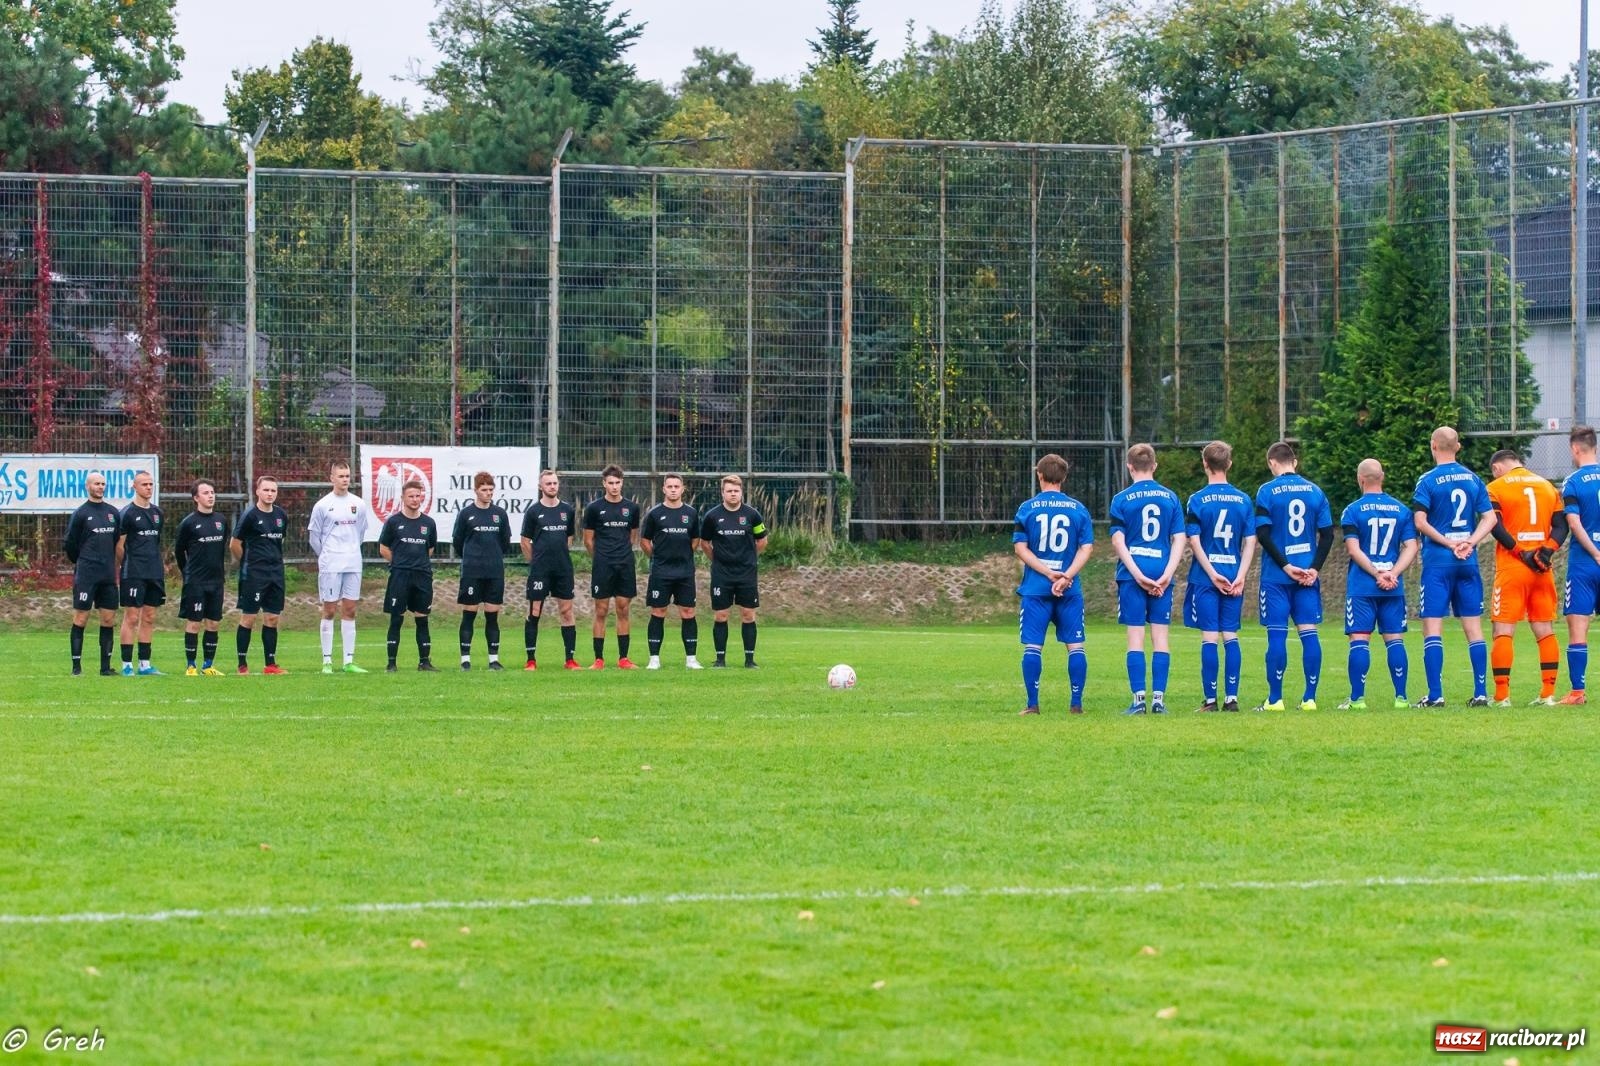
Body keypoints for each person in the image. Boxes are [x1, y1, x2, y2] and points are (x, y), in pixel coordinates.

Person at [1411, 426, 1497, 706]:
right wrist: (1470, 541)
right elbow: (1490, 518)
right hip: (1467, 561)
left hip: (1438, 563)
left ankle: (1436, 696)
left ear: (1433, 446)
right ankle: (1481, 693)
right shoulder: (1473, 479)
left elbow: (1420, 521)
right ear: (1457, 447)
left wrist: (1449, 543)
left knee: (1432, 627)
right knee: (1474, 628)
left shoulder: (1427, 480)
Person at [1252, 441, 1335, 712]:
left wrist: (1286, 566)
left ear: (1271, 463)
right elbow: (1328, 535)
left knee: (1277, 636)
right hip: (1307, 576)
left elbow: (1263, 534)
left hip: (1277, 576)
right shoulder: (1315, 491)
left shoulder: (1266, 491)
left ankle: (1275, 700)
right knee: (1309, 634)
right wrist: (1314, 568)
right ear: (1295, 462)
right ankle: (1309, 698)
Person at [1011, 454, 1093, 714]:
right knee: (1075, 646)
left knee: (1033, 646)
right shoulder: (1078, 509)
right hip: (1069, 589)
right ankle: (1076, 704)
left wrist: (1048, 573)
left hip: (1036, 588)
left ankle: (1032, 705)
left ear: (1039, 475)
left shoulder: (1027, 508)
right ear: (1064, 477)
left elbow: (1020, 548)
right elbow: (1086, 548)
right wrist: (1066, 576)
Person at [1107, 444, 1184, 715]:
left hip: (1133, 574)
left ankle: (1138, 700)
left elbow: (1118, 541)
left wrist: (1137, 574)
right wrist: (1167, 574)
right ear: (1155, 466)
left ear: (1129, 467)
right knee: (1160, 637)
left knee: (1135, 636)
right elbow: (1179, 539)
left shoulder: (1121, 499)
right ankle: (1158, 701)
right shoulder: (1170, 497)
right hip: (1162, 571)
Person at [1485, 449, 1564, 705]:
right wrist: (1546, 551)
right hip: (1542, 568)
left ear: (1497, 468)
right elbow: (1561, 526)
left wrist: (1521, 552)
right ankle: (1548, 694)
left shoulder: (1495, 488)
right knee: (1544, 630)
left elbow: (1495, 526)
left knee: (1503, 630)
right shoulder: (1547, 486)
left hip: (1513, 567)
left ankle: (1502, 696)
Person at [1339, 459, 1419, 709]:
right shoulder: (1402, 510)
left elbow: (1353, 549)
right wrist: (1392, 573)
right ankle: (1401, 698)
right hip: (1393, 587)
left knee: (1359, 639)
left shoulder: (1352, 510)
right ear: (1382, 477)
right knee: (1394, 639)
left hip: (1362, 586)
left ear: (1360, 479)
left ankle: (1357, 700)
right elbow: (1412, 546)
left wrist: (1376, 573)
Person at [1183, 441, 1257, 712]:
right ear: (1229, 464)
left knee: (1210, 636)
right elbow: (1251, 541)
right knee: (1230, 634)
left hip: (1206, 578)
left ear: (1205, 464)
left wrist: (1212, 574)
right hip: (1233, 575)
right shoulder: (1243, 500)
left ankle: (1211, 700)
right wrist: (1241, 575)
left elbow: (1194, 540)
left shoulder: (1197, 499)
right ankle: (1232, 699)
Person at [701, 474, 770, 669]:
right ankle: (720, 660)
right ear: (722, 492)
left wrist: (749, 558)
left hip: (746, 573)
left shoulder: (752, 515)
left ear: (741, 492)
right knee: (721, 615)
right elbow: (704, 543)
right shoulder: (712, 516)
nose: (733, 494)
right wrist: (718, 560)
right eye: (729, 490)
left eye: (736, 491)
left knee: (748, 614)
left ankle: (749, 660)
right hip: (721, 574)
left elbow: (762, 540)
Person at [308, 459, 369, 674]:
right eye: (341, 476)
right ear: (332, 478)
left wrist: (350, 551)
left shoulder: (358, 504)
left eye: (347, 476)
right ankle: (327, 661)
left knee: (350, 609)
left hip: (353, 562)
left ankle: (348, 661)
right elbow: (314, 537)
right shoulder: (322, 505)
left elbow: (360, 533)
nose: (345, 480)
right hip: (331, 564)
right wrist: (326, 556)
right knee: (329, 610)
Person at [583, 464, 642, 669]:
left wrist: (620, 553)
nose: (614, 486)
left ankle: (623, 658)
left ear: (622, 483)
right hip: (603, 565)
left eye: (617, 482)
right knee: (601, 610)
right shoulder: (594, 508)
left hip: (625, 564)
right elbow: (588, 540)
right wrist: (602, 557)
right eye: (611, 483)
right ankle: (598, 659)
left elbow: (632, 537)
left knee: (623, 609)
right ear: (604, 484)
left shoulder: (632, 508)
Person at [641, 473, 702, 670]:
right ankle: (654, 659)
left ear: (683, 489)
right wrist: (658, 557)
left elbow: (695, 540)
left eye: (677, 486)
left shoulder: (691, 513)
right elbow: (645, 541)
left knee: (688, 612)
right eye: (670, 486)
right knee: (658, 611)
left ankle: (691, 659)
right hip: (661, 572)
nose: (673, 490)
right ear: (664, 489)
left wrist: (683, 555)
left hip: (685, 572)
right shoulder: (654, 514)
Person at [520, 469, 579, 670]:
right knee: (535, 611)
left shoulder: (567, 510)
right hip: (540, 571)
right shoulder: (533, 512)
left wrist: (558, 556)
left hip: (563, 569)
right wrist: (536, 563)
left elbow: (569, 538)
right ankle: (531, 660)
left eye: (554, 483)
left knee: (567, 611)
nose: (552, 486)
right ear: (541, 486)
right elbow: (525, 542)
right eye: (548, 484)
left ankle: (570, 660)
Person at [378, 479, 439, 672]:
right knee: (397, 618)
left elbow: (429, 549)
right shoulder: (394, 522)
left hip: (422, 576)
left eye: (418, 496)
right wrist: (399, 563)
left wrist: (417, 563)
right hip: (400, 576)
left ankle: (424, 662)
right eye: (411, 496)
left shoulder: (428, 523)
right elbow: (383, 548)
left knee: (422, 618)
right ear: (403, 498)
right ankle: (391, 663)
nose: (415, 499)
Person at [64, 472, 121, 675]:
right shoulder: (80, 513)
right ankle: (76, 668)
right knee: (81, 618)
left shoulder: (113, 513)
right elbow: (70, 544)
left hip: (107, 575)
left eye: (103, 484)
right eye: (97, 483)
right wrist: (83, 562)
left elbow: (116, 541)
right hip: (87, 575)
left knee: (108, 619)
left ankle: (105, 668)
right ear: (88, 486)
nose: (101, 487)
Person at [231, 475, 289, 675]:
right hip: (254, 575)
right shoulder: (250, 515)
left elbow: (279, 541)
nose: (270, 494)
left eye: (273, 490)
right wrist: (249, 563)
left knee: (272, 618)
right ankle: (242, 665)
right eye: (266, 490)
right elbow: (234, 544)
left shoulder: (281, 515)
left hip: (276, 574)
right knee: (249, 617)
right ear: (257, 491)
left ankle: (270, 665)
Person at [453, 471, 511, 670]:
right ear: (476, 490)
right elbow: (458, 541)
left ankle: (493, 659)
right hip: (472, 572)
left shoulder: (500, 514)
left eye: (491, 489)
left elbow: (505, 542)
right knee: (469, 615)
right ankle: (465, 660)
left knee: (492, 616)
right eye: (484, 489)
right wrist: (472, 557)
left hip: (494, 572)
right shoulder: (466, 514)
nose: (488, 493)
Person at [1559, 426, 1600, 705]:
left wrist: (1596, 553)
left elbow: (1573, 523)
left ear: (1575, 448)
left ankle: (1577, 693)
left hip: (1585, 563)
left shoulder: (1572, 481)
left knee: (1578, 625)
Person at [172, 479, 230, 675]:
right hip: (196, 582)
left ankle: (208, 666)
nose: (210, 496)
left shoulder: (221, 520)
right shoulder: (188, 523)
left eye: (212, 492)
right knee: (194, 622)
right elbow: (179, 552)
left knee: (213, 623)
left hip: (216, 581)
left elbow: (222, 548)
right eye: (206, 493)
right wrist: (187, 573)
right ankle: (191, 666)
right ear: (196, 498)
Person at [116, 469, 164, 675]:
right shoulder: (126, 513)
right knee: (132, 617)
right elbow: (119, 546)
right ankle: (127, 665)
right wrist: (128, 564)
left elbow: (155, 542)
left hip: (154, 572)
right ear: (134, 487)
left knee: (149, 616)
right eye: (144, 484)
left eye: (151, 484)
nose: (148, 487)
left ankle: (145, 664)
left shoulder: (158, 513)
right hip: (133, 572)